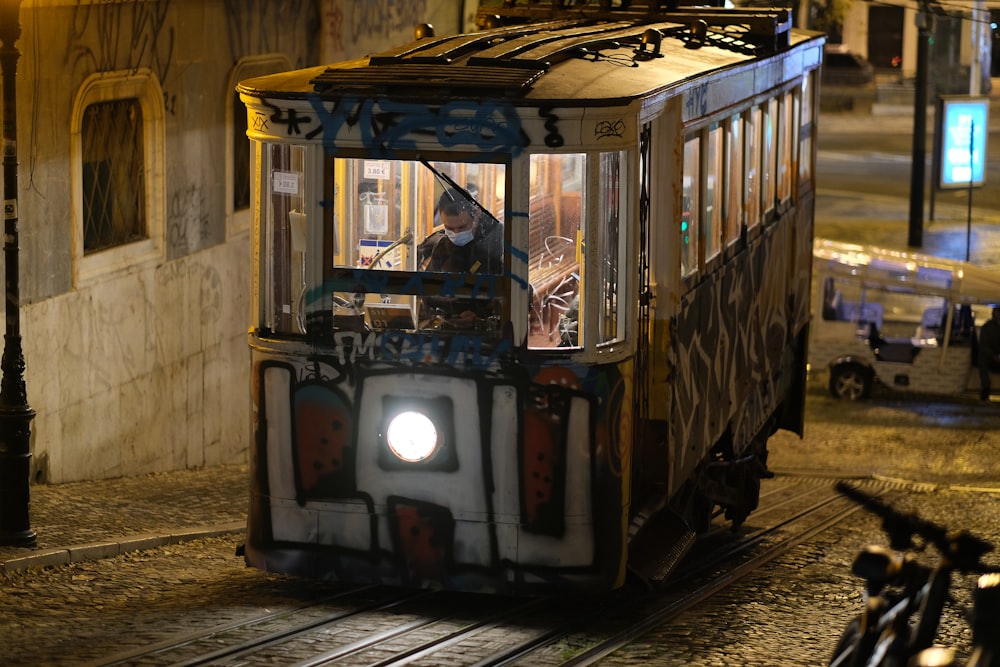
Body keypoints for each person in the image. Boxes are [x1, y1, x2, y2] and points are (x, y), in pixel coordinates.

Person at [417, 188, 504, 328]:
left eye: (462, 227)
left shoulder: (499, 242)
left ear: (476, 213)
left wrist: (480, 320)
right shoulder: (443, 245)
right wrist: (436, 295)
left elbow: (511, 297)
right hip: (450, 326)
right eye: (449, 228)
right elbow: (428, 288)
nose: (456, 233)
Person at [977, 306, 1000, 400]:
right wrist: (993, 356)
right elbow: (984, 344)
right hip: (991, 357)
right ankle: (985, 387)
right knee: (982, 357)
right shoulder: (987, 327)